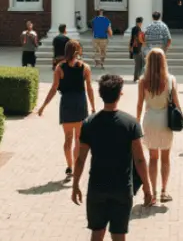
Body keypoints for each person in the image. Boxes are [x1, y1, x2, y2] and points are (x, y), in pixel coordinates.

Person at [73, 74, 154, 241]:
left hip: (97, 186)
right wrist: (147, 187)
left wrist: (75, 185)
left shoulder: (89, 123)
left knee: (97, 233)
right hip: (122, 188)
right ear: (120, 94)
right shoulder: (131, 123)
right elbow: (139, 159)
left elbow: (80, 159)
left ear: (100, 95)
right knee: (119, 235)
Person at [38, 39, 96, 181]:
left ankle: (69, 165)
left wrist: (43, 106)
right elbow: (89, 88)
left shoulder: (60, 67)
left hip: (66, 103)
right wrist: (93, 106)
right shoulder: (85, 67)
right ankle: (76, 167)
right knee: (78, 139)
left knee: (68, 139)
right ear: (78, 51)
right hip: (80, 103)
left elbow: (53, 88)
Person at [135, 48, 181, 203]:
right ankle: (164, 191)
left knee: (153, 158)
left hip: (149, 120)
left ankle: (152, 192)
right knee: (165, 158)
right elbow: (176, 103)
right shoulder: (170, 79)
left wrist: (136, 122)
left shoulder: (142, 80)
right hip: (165, 120)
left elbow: (140, 104)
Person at [129, 17, 145, 82]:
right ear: (140, 22)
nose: (141, 24)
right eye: (141, 22)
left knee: (142, 62)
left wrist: (130, 47)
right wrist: (143, 42)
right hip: (137, 48)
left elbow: (132, 38)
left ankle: (137, 76)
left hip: (136, 47)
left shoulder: (134, 28)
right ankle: (136, 77)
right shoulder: (138, 29)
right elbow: (137, 38)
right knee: (139, 63)